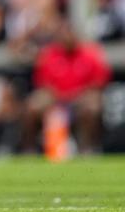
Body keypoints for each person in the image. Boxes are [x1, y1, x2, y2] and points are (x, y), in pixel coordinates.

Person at [21, 20, 111, 154]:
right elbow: (42, 82)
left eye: (70, 34)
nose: (67, 37)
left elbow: (100, 81)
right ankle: (29, 150)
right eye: (63, 35)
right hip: (56, 98)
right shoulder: (50, 54)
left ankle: (89, 149)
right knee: (33, 105)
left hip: (81, 97)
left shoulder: (90, 53)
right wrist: (57, 96)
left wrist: (79, 94)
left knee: (93, 105)